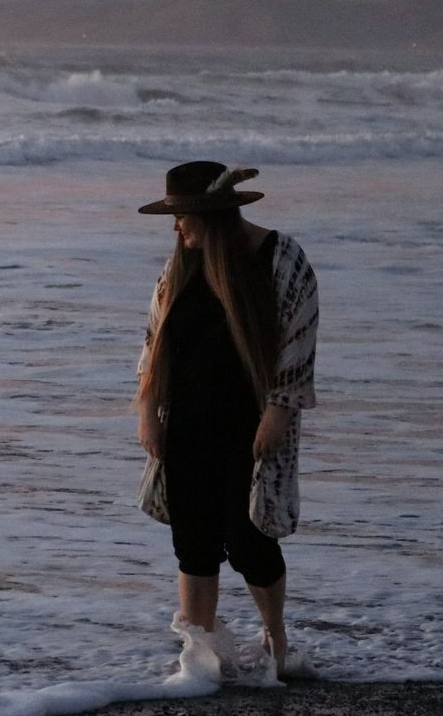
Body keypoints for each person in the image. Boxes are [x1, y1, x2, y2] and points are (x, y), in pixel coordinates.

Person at [133, 161, 318, 676]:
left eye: (182, 215)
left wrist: (279, 411)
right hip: (186, 419)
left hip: (251, 421)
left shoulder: (281, 258)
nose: (176, 226)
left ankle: (274, 636)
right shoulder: (179, 268)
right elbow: (153, 347)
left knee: (249, 538)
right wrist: (148, 413)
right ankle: (198, 661)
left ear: (210, 215)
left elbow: (299, 342)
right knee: (192, 540)